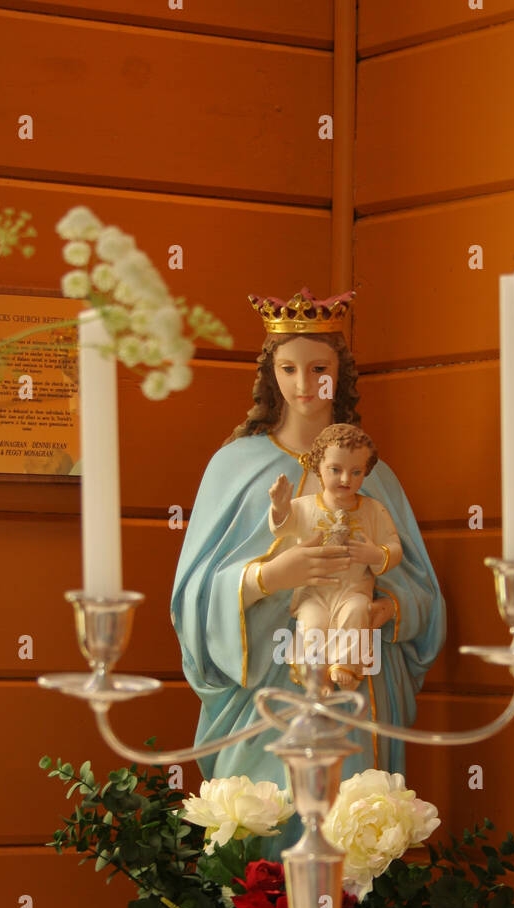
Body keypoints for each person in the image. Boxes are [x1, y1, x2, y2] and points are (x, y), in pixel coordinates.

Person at [170, 286, 445, 799]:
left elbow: (424, 596)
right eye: (290, 369)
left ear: (339, 376)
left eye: (319, 369)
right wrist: (268, 577)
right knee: (268, 829)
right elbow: (192, 594)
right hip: (265, 691)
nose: (305, 384)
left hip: (354, 687)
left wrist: (386, 610)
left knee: (350, 829)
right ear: (271, 375)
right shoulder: (234, 466)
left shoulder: (374, 481)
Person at [268, 422, 401, 690]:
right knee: (312, 623)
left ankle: (345, 667)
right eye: (335, 470)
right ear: (318, 466)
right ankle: (318, 679)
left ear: (366, 471)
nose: (345, 480)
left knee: (356, 611)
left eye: (356, 472)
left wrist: (376, 554)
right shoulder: (304, 507)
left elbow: (394, 545)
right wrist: (280, 508)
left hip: (354, 589)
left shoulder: (374, 510)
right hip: (314, 592)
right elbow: (282, 528)